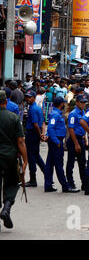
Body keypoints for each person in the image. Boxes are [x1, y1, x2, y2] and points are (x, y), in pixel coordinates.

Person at [0, 90, 28, 231]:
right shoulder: (14, 117)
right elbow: (21, 140)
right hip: (10, 157)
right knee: (11, 183)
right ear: (6, 101)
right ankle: (6, 207)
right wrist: (25, 159)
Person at [44, 97, 79, 193]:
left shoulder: (57, 113)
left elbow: (51, 128)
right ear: (61, 104)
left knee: (50, 164)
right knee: (59, 164)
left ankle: (48, 185)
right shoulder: (55, 114)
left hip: (55, 140)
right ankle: (65, 186)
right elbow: (50, 128)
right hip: (56, 141)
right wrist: (56, 141)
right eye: (64, 103)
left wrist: (49, 136)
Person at [66, 94, 89, 191]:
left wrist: (85, 138)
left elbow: (83, 127)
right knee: (71, 163)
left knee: (82, 163)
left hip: (81, 139)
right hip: (73, 140)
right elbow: (71, 129)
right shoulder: (73, 113)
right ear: (78, 103)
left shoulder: (82, 112)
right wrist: (76, 144)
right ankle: (71, 184)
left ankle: (84, 184)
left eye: (85, 103)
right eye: (82, 103)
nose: (84, 105)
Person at [23, 90, 45, 188]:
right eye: (26, 97)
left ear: (34, 97)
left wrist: (40, 134)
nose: (27, 99)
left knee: (32, 157)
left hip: (32, 134)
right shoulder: (36, 107)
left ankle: (33, 179)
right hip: (34, 133)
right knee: (36, 156)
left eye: (29, 97)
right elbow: (42, 122)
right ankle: (47, 174)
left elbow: (36, 124)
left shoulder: (33, 109)